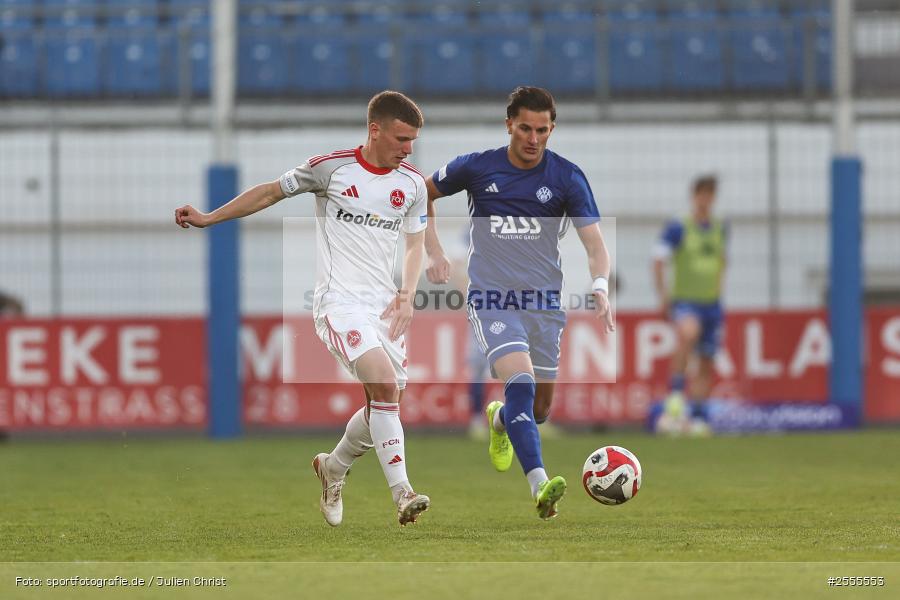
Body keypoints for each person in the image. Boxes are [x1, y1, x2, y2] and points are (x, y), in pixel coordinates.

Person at [174, 91, 431, 527]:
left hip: (384, 308)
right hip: (338, 303)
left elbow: (415, 244)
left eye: (412, 141)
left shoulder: (411, 185)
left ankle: (333, 467)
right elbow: (269, 193)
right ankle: (403, 493)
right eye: (402, 138)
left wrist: (407, 293)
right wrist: (208, 218)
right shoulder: (331, 169)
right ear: (375, 129)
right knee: (385, 388)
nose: (409, 148)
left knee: (383, 405)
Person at [424, 86, 614, 520]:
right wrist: (434, 251)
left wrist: (600, 284)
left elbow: (595, 244)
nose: (533, 138)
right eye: (525, 128)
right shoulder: (477, 167)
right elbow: (422, 193)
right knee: (522, 385)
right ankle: (540, 485)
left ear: (552, 129)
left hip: (544, 304)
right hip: (491, 297)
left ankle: (499, 420)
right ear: (509, 123)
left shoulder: (567, 177)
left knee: (539, 410)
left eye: (542, 130)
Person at [652, 174, 727, 434]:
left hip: (712, 304)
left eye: (710, 195)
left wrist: (719, 289)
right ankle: (674, 396)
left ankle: (698, 417)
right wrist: (663, 295)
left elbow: (722, 261)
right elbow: (659, 259)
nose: (706, 200)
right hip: (686, 300)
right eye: (702, 194)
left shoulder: (719, 227)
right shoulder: (679, 227)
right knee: (688, 334)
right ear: (694, 196)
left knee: (707, 360)